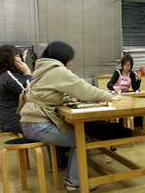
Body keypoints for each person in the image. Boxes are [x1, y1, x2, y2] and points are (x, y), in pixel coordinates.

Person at [17, 41, 117, 192]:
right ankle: (76, 183)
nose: (71, 62)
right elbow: (84, 89)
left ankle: (70, 177)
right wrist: (109, 97)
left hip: (28, 123)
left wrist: (65, 99)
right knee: (82, 140)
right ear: (63, 57)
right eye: (70, 58)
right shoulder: (57, 70)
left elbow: (43, 97)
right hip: (39, 125)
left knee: (76, 138)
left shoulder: (41, 70)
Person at [0, 45, 32, 133]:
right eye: (16, 56)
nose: (20, 59)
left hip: (7, 120)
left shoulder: (2, 75)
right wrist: (27, 73)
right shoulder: (8, 76)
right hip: (15, 121)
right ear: (7, 59)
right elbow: (28, 92)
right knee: (49, 127)